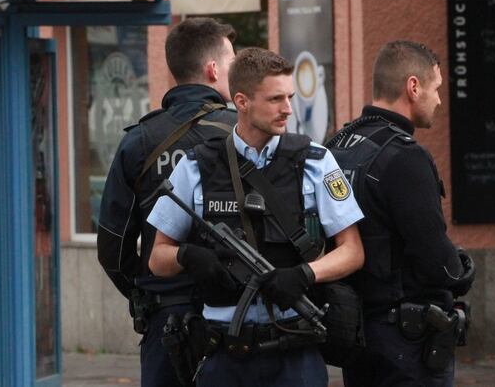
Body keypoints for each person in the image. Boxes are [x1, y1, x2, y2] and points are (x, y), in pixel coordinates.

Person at [147, 47, 365, 387]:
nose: (288, 109)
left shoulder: (315, 162)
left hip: (295, 349)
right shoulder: (195, 166)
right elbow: (157, 259)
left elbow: (353, 250)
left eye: (290, 97)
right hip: (224, 352)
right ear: (242, 101)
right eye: (275, 99)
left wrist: (306, 274)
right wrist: (187, 255)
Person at [96, 17, 237, 387]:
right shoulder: (243, 133)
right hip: (237, 320)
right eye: (232, 62)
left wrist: (146, 290)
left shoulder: (140, 140)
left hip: (166, 320)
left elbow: (112, 246)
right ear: (213, 69)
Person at [327, 40, 474, 387]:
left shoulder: (337, 145)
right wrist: (462, 271)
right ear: (413, 87)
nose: (439, 100)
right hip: (405, 340)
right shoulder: (405, 156)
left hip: (355, 330)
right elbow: (436, 259)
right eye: (436, 89)